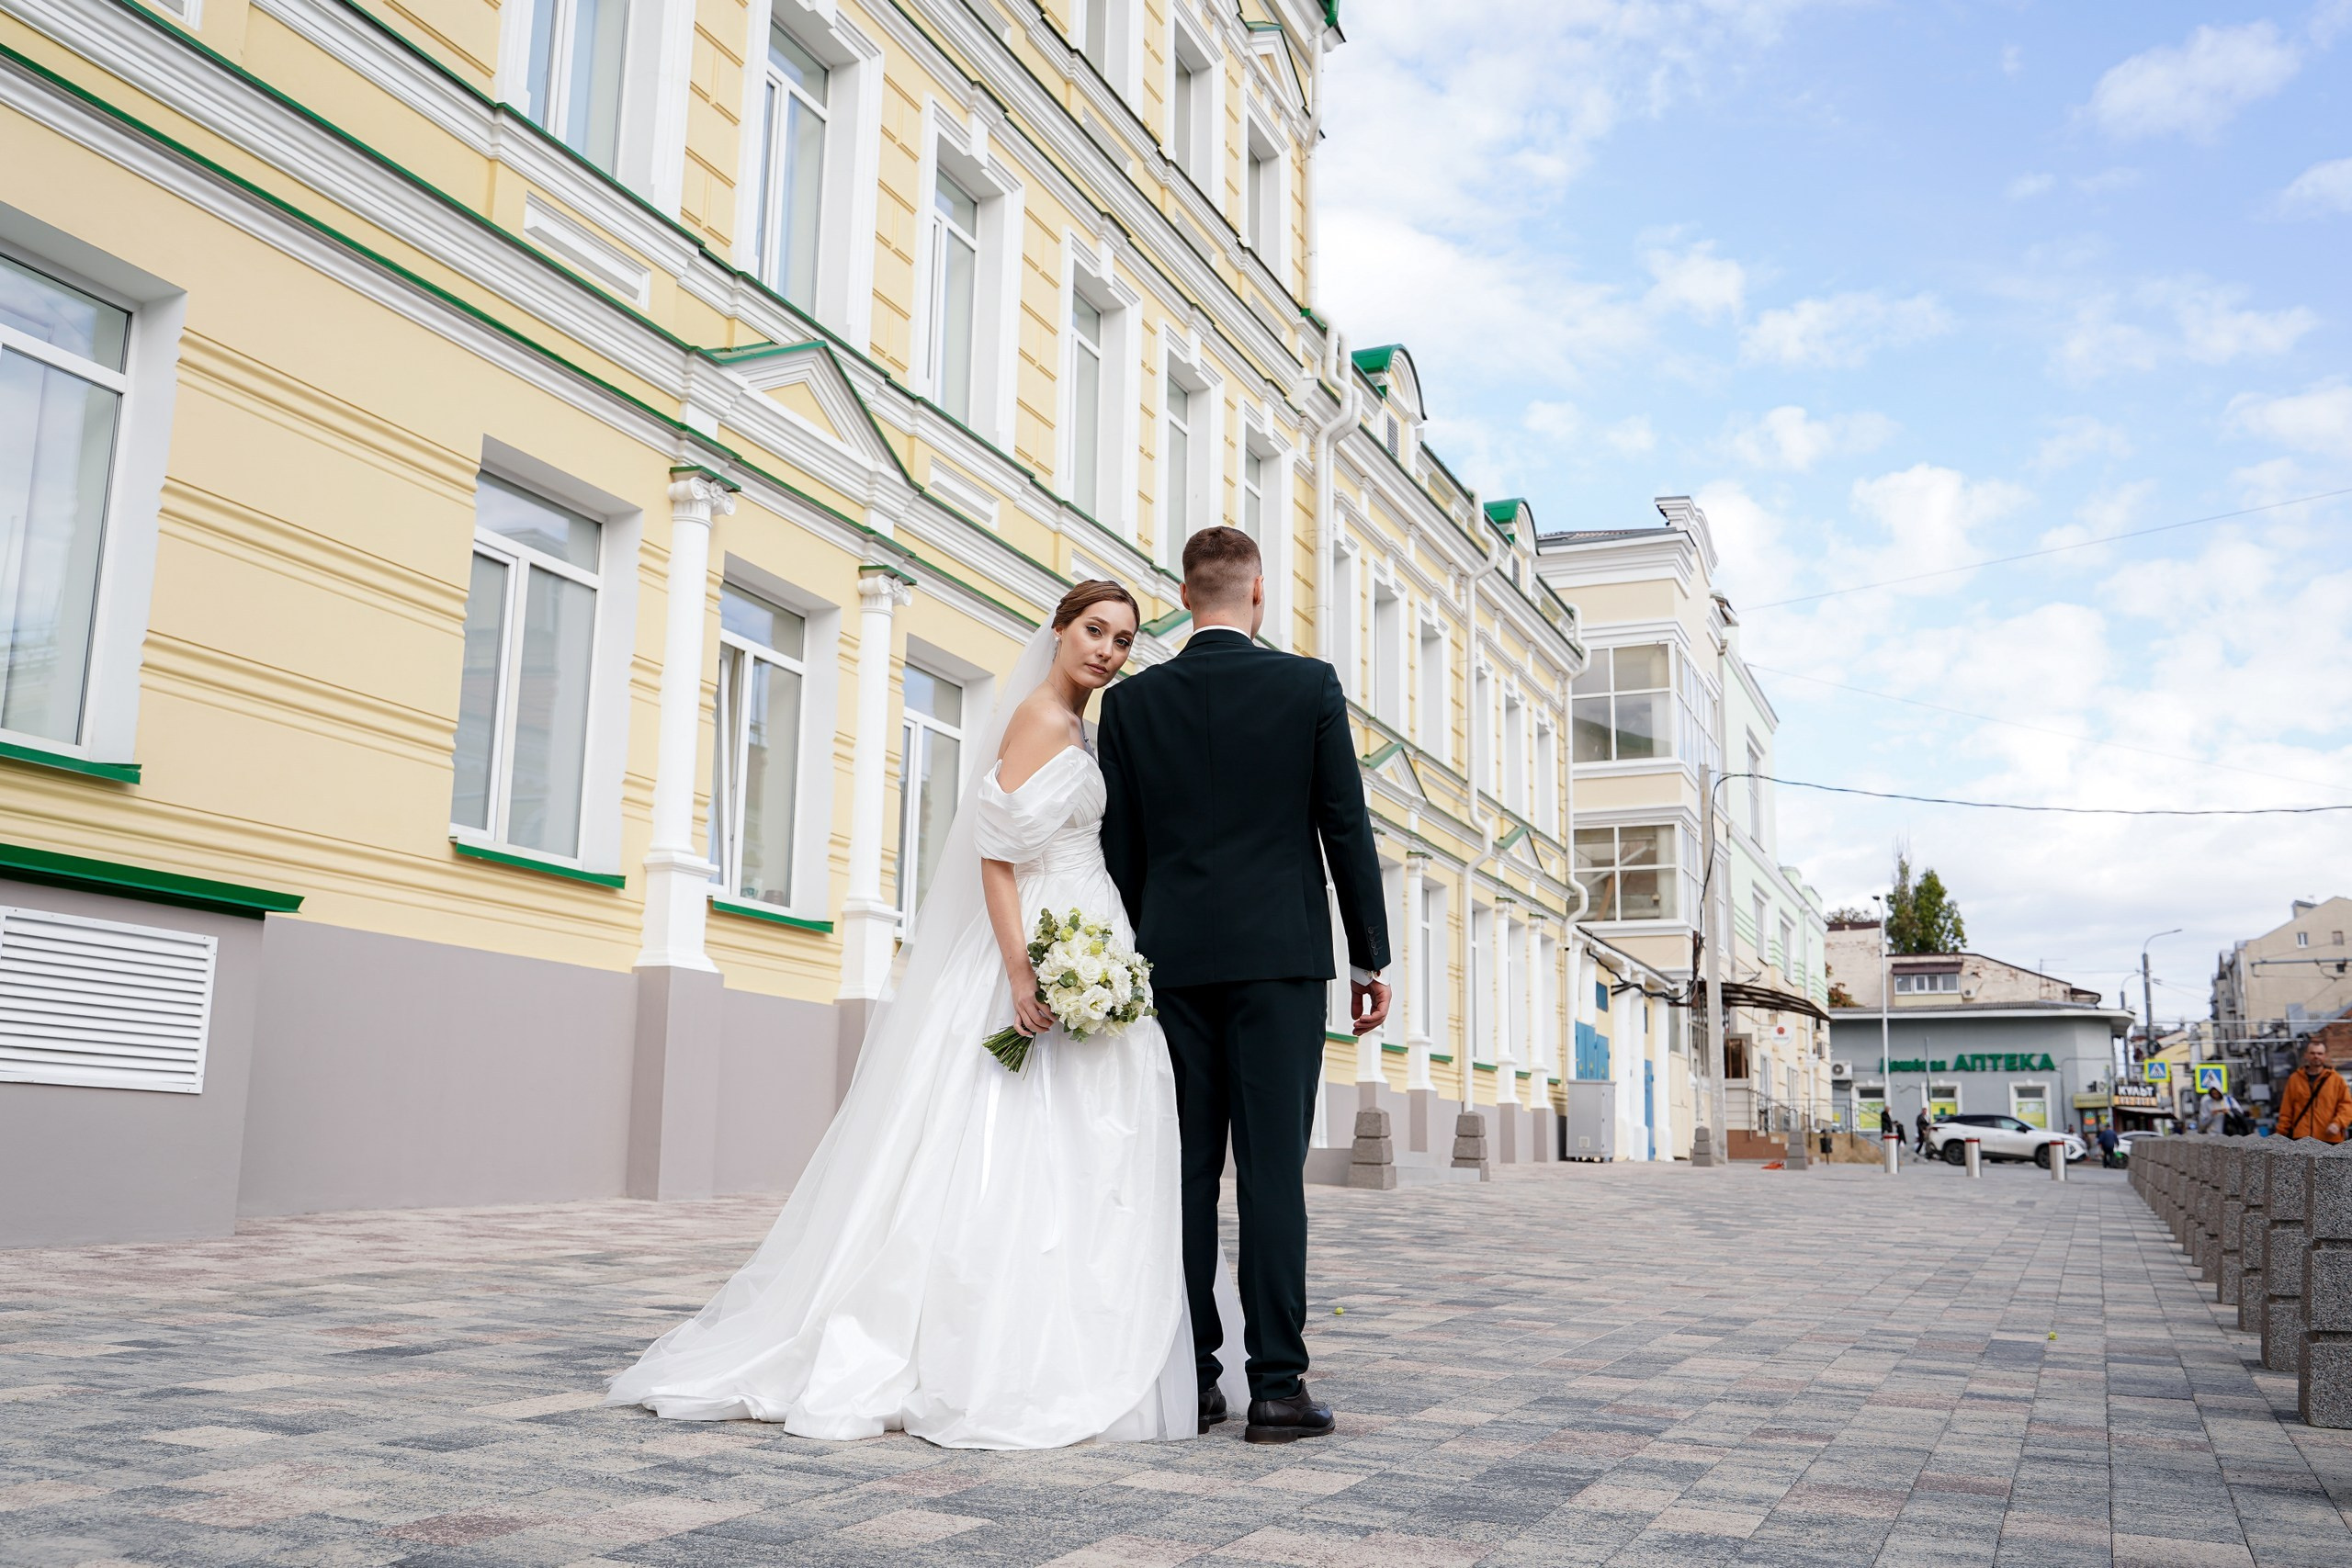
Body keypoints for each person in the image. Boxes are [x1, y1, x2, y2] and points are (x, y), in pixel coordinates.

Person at [607, 580, 1238, 1448]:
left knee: (1093, 1146)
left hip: (1092, 937)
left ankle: (1069, 1334)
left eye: (1124, 640)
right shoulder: (1038, 720)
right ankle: (977, 1344)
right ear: (1058, 628)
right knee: (1002, 1138)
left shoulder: (1080, 726)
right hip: (1041, 943)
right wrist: (1024, 971)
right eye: (1094, 630)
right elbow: (997, 857)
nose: (1107, 650)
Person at [1100, 526, 1391, 1446]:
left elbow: (1119, 854)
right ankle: (1275, 1388)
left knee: (1183, 1176)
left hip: (1171, 963)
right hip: (1281, 961)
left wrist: (1123, 961)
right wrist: (1369, 958)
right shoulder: (1306, 685)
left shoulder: (1134, 704)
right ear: (1256, 594)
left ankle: (1194, 1381)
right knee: (1272, 1176)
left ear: (1185, 597)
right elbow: (1343, 827)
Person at [2275, 1039, 2350, 1144]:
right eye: (2313, 1053)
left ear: (2325, 1056)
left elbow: (2347, 1106)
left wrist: (2338, 1123)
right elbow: (2286, 1110)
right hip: (2301, 1138)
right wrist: (2280, 1136)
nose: (2316, 1056)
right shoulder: (2295, 1079)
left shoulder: (2336, 1080)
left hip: (2329, 1138)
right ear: (2306, 1055)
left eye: (2320, 1053)